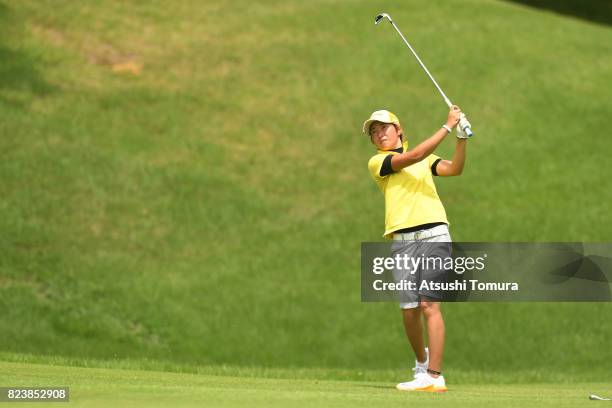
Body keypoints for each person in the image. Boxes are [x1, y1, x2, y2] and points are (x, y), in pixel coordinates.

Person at [363, 106, 470, 392]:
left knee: (428, 305)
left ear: (399, 130)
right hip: (402, 243)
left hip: (435, 234)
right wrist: (447, 127)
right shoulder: (379, 162)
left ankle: (435, 376)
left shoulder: (426, 159)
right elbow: (412, 156)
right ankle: (422, 365)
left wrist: (461, 139)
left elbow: (454, 169)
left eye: (383, 127)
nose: (379, 134)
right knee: (409, 310)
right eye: (374, 131)